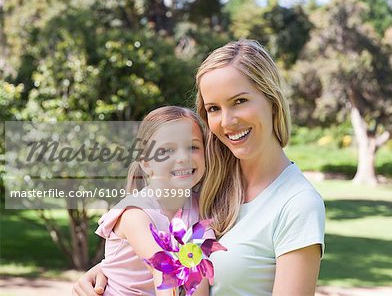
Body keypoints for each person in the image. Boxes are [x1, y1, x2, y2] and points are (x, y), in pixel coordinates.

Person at [73, 39, 325, 296]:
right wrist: (108, 272)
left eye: (239, 101)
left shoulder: (297, 204)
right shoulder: (208, 186)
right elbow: (159, 259)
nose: (227, 121)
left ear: (272, 100)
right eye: (214, 108)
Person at [79, 106, 212, 296]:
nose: (183, 157)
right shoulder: (135, 213)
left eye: (193, 147)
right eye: (168, 150)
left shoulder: (202, 210)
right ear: (146, 163)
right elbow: (162, 270)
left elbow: (200, 274)